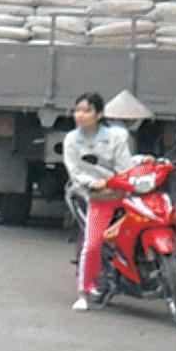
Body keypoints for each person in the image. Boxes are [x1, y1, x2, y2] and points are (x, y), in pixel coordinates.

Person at [61, 92, 135, 311]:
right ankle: (84, 290)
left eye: (86, 110)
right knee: (92, 244)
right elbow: (75, 172)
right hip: (96, 198)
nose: (80, 115)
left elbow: (126, 167)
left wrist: (115, 182)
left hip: (122, 193)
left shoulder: (116, 137)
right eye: (77, 110)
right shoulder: (71, 140)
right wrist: (95, 184)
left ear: (99, 114)